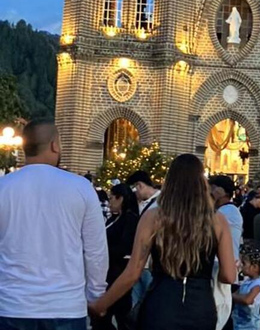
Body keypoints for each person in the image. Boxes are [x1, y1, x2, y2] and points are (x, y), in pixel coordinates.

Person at [89, 154, 237, 330]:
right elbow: (229, 275)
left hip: (161, 302)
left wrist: (101, 305)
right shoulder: (217, 220)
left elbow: (133, 272)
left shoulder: (153, 217)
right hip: (200, 306)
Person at [0, 119, 108, 330]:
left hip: (12, 305)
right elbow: (95, 251)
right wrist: (96, 295)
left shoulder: (4, 187)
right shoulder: (81, 188)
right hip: (65, 307)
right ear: (54, 145)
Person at [92, 184, 140, 330]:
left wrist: (103, 251)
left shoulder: (130, 219)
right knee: (104, 318)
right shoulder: (114, 219)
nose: (110, 201)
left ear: (121, 199)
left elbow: (125, 246)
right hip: (108, 271)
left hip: (118, 271)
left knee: (119, 314)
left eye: (112, 198)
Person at [210, 175, 244, 330]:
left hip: (225, 267)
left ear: (222, 191)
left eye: (213, 187)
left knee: (222, 315)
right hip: (220, 268)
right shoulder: (221, 211)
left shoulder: (228, 211)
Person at [126, 170, 161, 306]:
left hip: (150, 264)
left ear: (140, 185)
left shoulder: (159, 204)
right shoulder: (142, 204)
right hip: (140, 263)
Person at [233, 245, 260, 330]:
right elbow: (237, 293)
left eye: (244, 263)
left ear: (255, 267)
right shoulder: (247, 281)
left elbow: (248, 300)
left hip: (250, 326)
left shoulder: (258, 284)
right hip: (239, 323)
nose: (241, 265)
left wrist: (231, 296)